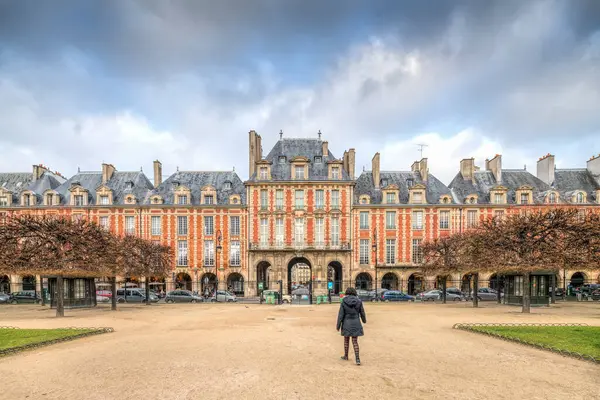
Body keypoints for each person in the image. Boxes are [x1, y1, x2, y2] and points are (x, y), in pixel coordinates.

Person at [336, 287, 366, 365]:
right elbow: (362, 312)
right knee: (355, 341)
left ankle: (346, 356)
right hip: (356, 321)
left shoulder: (344, 301)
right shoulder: (359, 301)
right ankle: (357, 359)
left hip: (346, 322)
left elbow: (341, 315)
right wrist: (364, 320)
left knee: (346, 340)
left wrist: (338, 325)